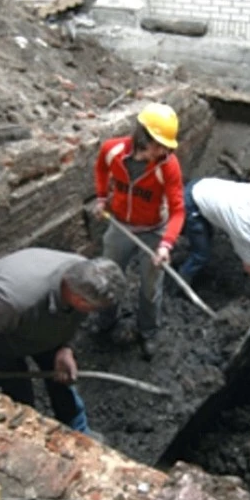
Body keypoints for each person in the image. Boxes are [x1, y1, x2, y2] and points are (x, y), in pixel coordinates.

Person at [0, 248, 126, 442]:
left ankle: (77, 430)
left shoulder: (84, 273)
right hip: (0, 337)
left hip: (45, 326)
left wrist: (65, 348)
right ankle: (30, 437)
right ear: (79, 299)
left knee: (63, 379)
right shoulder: (14, 301)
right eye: (94, 308)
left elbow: (75, 318)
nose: (94, 312)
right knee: (19, 394)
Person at [92, 102, 185, 361]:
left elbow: (178, 211)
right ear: (143, 137)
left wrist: (166, 244)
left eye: (167, 146)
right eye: (159, 144)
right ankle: (106, 320)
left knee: (150, 285)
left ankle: (148, 330)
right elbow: (100, 169)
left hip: (154, 229)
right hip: (120, 224)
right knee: (108, 276)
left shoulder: (167, 165)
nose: (164, 150)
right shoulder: (112, 151)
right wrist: (101, 198)